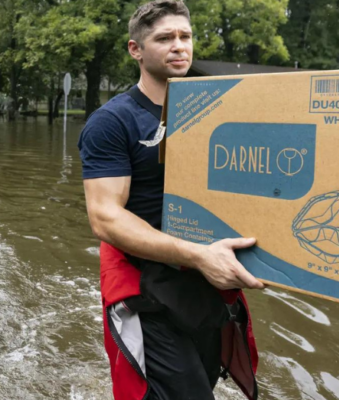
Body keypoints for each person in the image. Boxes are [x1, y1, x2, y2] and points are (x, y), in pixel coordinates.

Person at [79, 2, 262, 399]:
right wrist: (196, 255)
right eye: (164, 38)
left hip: (205, 283)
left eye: (185, 36)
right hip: (146, 286)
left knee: (207, 379)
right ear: (136, 50)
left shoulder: (216, 113)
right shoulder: (113, 121)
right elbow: (105, 217)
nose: (179, 46)